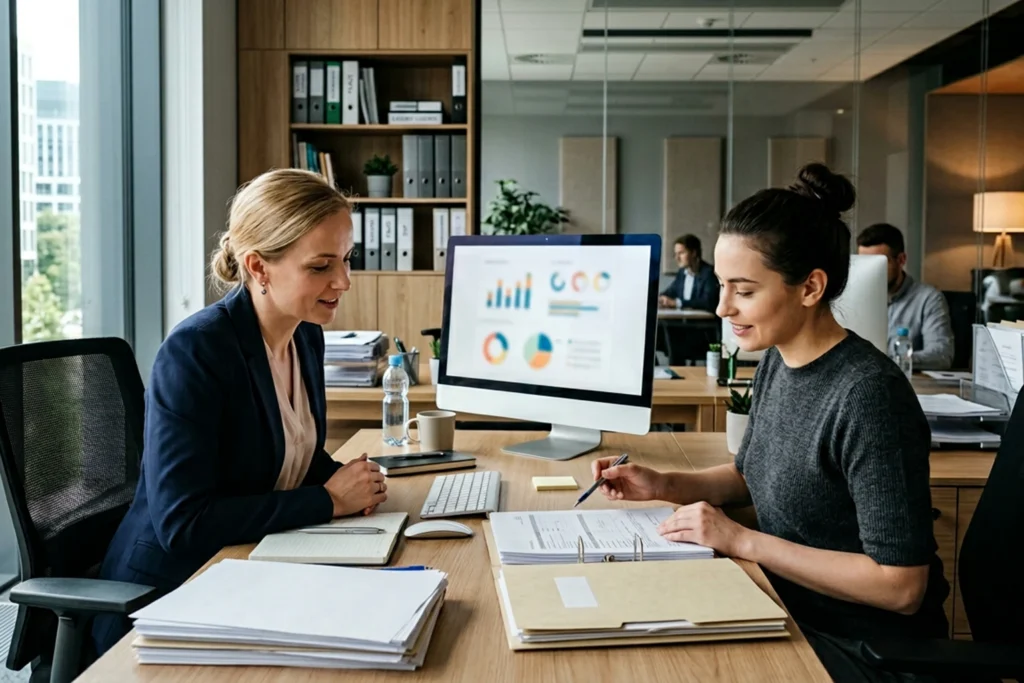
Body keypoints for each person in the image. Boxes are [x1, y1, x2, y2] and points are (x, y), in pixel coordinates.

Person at [593, 164, 949, 683]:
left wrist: (741, 541)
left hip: (865, 651)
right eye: (721, 285)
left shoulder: (869, 397)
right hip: (784, 607)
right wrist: (664, 484)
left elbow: (901, 586)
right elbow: (750, 475)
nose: (722, 307)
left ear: (810, 287)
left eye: (744, 291)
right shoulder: (779, 360)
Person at [92, 169, 387, 654]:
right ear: (258, 267)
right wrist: (329, 501)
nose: (344, 281)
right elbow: (183, 524)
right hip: (168, 595)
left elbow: (287, 455)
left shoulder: (305, 334)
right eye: (321, 266)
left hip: (249, 568)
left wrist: (348, 481)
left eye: (347, 259)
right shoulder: (196, 352)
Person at [856, 223, 955, 371]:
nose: (871, 271)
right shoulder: (853, 298)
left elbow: (941, 356)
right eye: (865, 263)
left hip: (906, 381)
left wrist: (889, 361)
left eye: (879, 263)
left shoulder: (929, 299)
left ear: (901, 260)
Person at [659, 234, 719, 314]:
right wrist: (660, 298)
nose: (677, 258)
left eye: (681, 253)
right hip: (685, 319)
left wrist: (677, 303)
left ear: (693, 253)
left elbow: (708, 302)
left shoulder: (709, 273)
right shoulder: (682, 273)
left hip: (703, 321)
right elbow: (670, 292)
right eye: (676, 254)